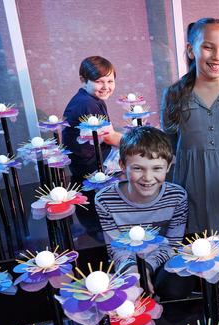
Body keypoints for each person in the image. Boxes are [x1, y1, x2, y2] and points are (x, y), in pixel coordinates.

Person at [162, 18, 219, 237]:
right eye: (207, 47)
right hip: (191, 183)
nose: (217, 56)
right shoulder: (174, 94)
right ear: (191, 50)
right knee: (195, 247)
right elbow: (169, 145)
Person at [95, 126, 189, 299]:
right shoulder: (105, 200)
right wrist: (133, 270)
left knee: (176, 287)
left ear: (168, 167)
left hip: (161, 259)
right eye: (138, 168)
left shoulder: (176, 197)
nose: (147, 177)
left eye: (157, 168)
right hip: (126, 262)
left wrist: (146, 267)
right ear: (122, 165)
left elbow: (173, 243)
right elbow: (116, 247)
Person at [62, 56, 122, 238]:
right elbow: (110, 137)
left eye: (110, 81)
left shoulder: (92, 99)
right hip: (90, 167)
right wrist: (140, 143)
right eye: (99, 81)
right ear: (83, 80)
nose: (106, 86)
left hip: (92, 162)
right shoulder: (87, 103)